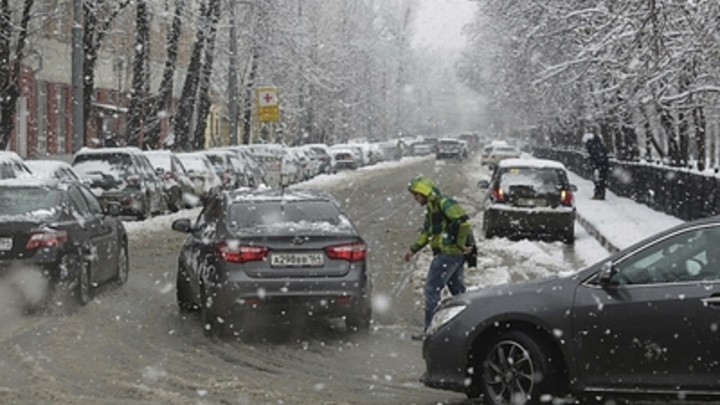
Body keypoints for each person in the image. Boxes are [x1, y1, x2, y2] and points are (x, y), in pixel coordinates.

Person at [403, 175, 472, 340]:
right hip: (452, 254)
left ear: (425, 192)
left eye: (417, 195)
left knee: (432, 290)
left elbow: (463, 222)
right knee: (458, 292)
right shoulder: (432, 207)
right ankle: (465, 327)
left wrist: (460, 243)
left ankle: (430, 331)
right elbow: (427, 232)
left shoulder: (443, 203)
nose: (415, 198)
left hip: (448, 253)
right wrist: (413, 249)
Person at [582, 132, 609, 200]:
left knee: (598, 180)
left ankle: (598, 194)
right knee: (601, 180)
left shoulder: (593, 146)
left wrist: (594, 164)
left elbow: (595, 156)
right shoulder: (599, 145)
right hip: (602, 165)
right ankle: (601, 194)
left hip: (599, 166)